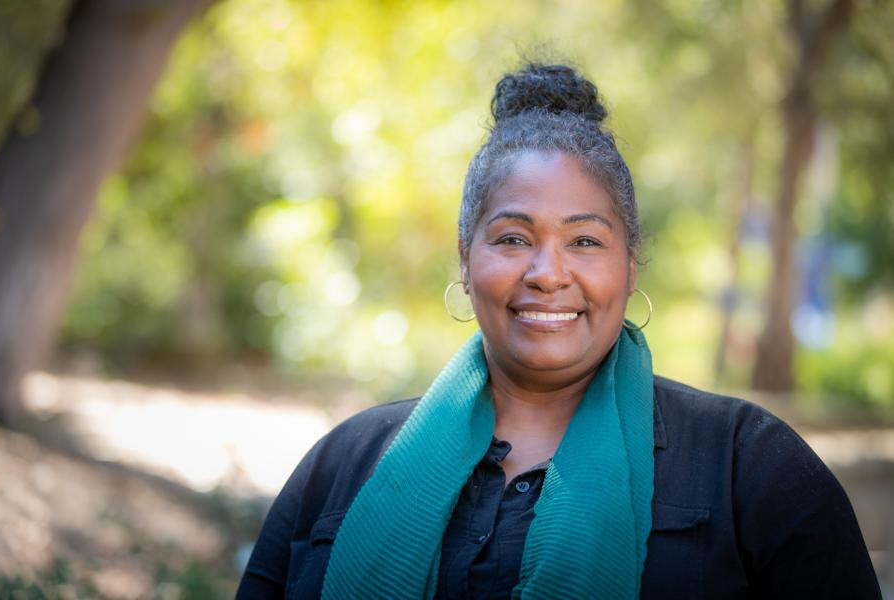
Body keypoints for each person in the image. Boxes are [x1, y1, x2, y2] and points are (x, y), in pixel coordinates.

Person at [236, 63, 881, 599]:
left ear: (631, 265)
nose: (548, 274)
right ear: (465, 260)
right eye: (513, 238)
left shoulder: (749, 467)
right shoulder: (345, 466)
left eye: (584, 240)